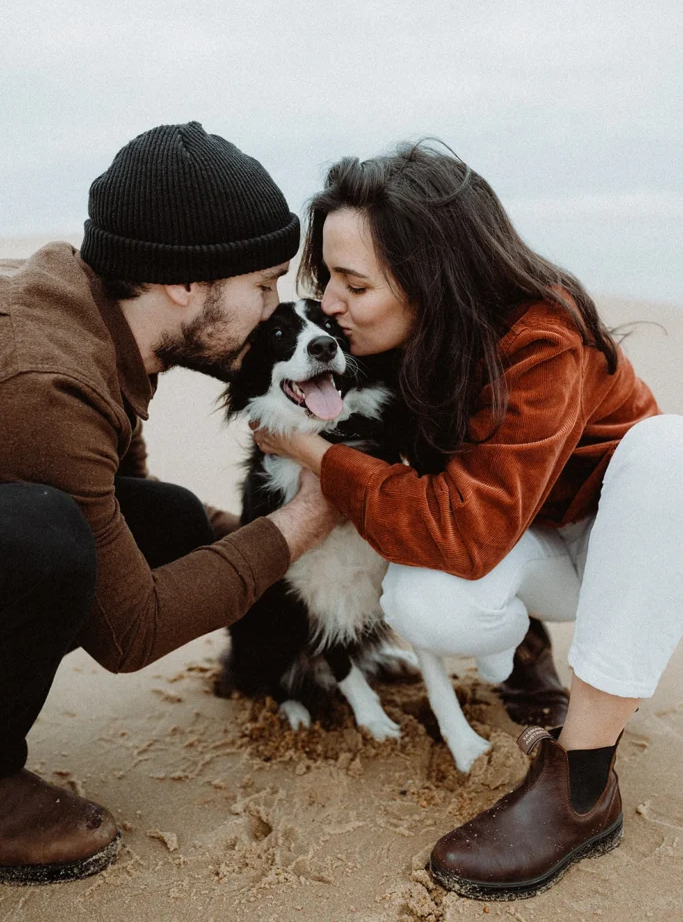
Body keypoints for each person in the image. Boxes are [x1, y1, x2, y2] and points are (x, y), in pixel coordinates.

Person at [251, 140, 683, 901]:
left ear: (431, 277)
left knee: (668, 450)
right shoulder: (387, 341)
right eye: (327, 281)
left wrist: (318, 456)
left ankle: (581, 785)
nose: (331, 306)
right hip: (520, 532)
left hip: (623, 545)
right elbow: (445, 519)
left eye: (353, 283)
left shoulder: (540, 336)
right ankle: (522, 648)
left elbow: (460, 530)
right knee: (423, 602)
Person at [0, 122, 343, 885]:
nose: (273, 310)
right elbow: (130, 633)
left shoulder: (93, 312)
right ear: (185, 283)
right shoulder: (45, 383)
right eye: (263, 285)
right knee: (43, 537)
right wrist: (306, 520)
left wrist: (312, 565)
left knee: (167, 517)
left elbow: (133, 510)